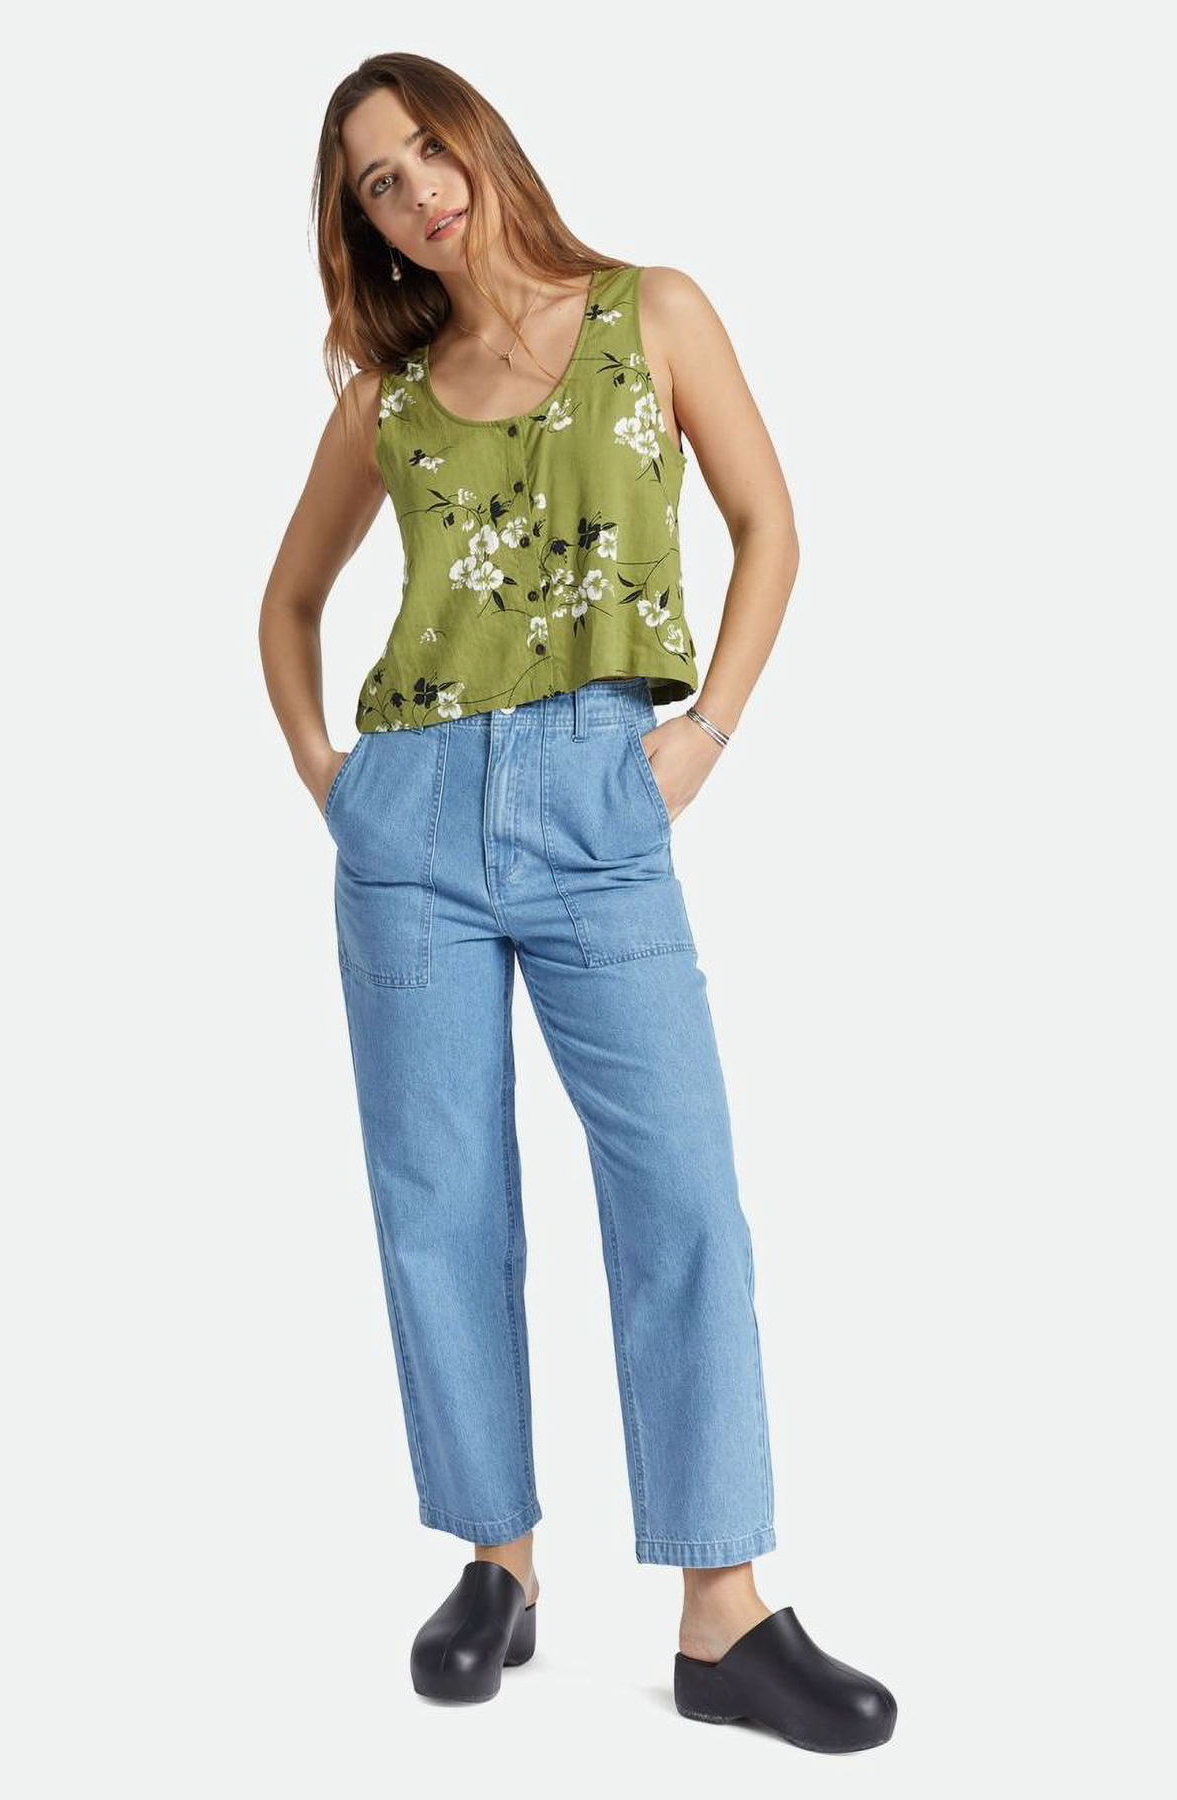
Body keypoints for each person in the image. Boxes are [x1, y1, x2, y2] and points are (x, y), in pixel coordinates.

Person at [258, 52, 896, 1749]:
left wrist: (702, 739)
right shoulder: (387, 399)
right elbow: (288, 603)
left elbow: (767, 526)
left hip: (598, 791)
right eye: (375, 183)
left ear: (479, 140)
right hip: (409, 817)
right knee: (439, 1201)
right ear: (359, 222)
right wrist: (337, 784)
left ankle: (722, 1614)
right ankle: (496, 1561)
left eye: (425, 151)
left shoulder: (648, 312)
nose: (415, 192)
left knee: (680, 1194)